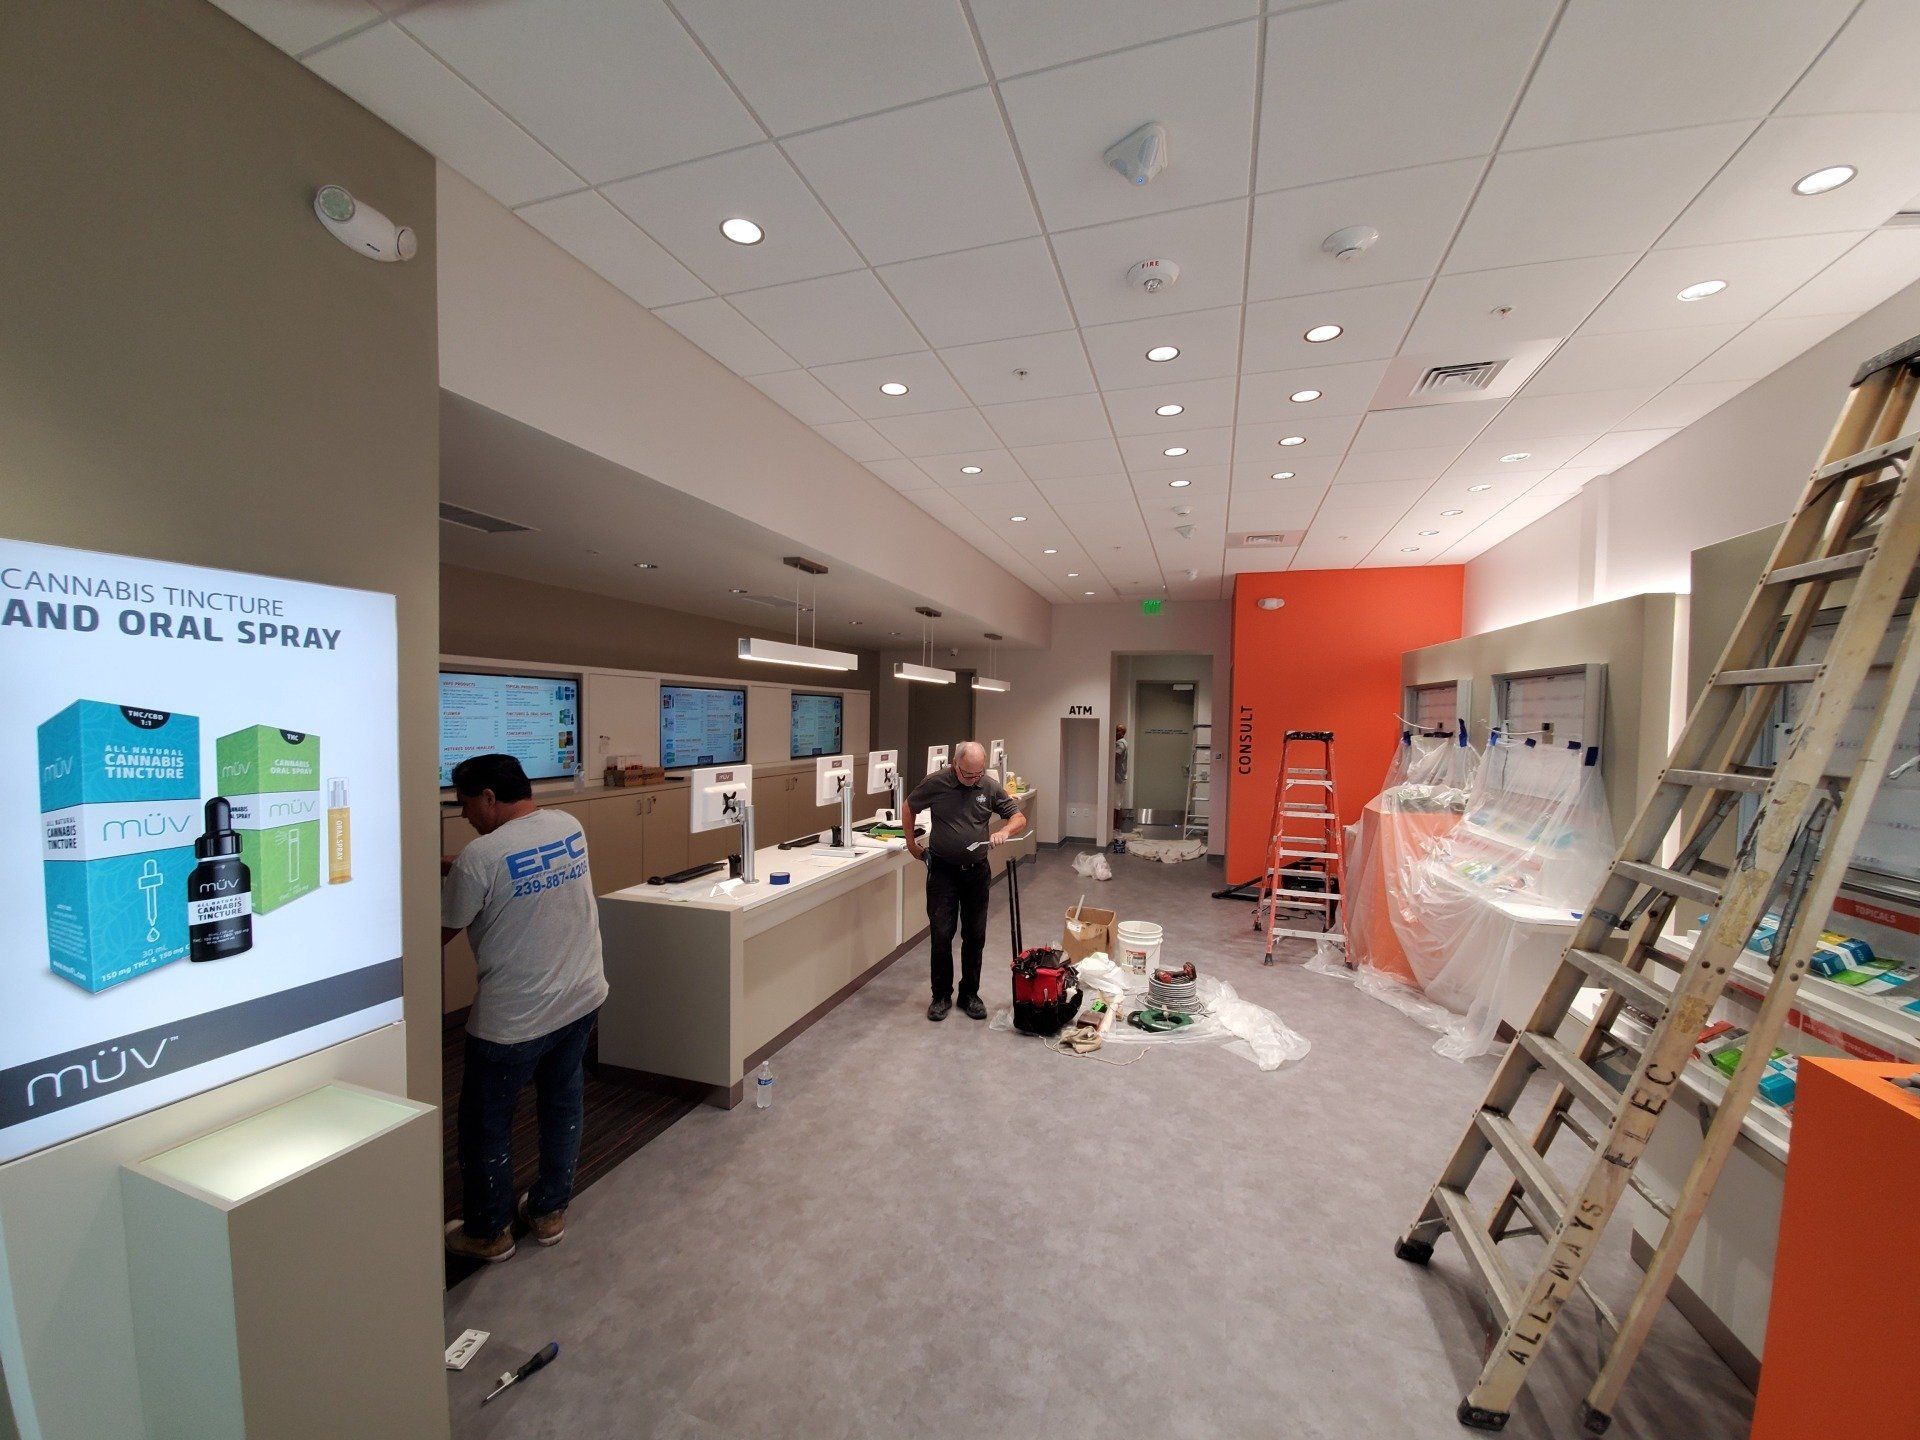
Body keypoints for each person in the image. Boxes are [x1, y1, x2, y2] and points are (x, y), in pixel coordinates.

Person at [441, 753, 608, 1262]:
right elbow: (518, 871)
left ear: (489, 797)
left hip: (513, 1020)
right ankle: (548, 1210)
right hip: (581, 997)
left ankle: (490, 1231)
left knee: (486, 1123)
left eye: (466, 803)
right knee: (562, 1104)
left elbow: (442, 931)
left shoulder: (480, 856)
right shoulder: (567, 825)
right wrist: (455, 869)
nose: (465, 814)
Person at [903, 740, 1028, 1022]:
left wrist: (1006, 831)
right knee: (941, 935)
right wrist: (911, 843)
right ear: (954, 764)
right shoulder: (935, 783)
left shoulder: (988, 785)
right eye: (967, 774)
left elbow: (1018, 816)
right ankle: (941, 996)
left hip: (976, 871)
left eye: (978, 773)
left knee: (974, 935)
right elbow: (909, 806)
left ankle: (970, 994)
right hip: (943, 872)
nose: (973, 780)